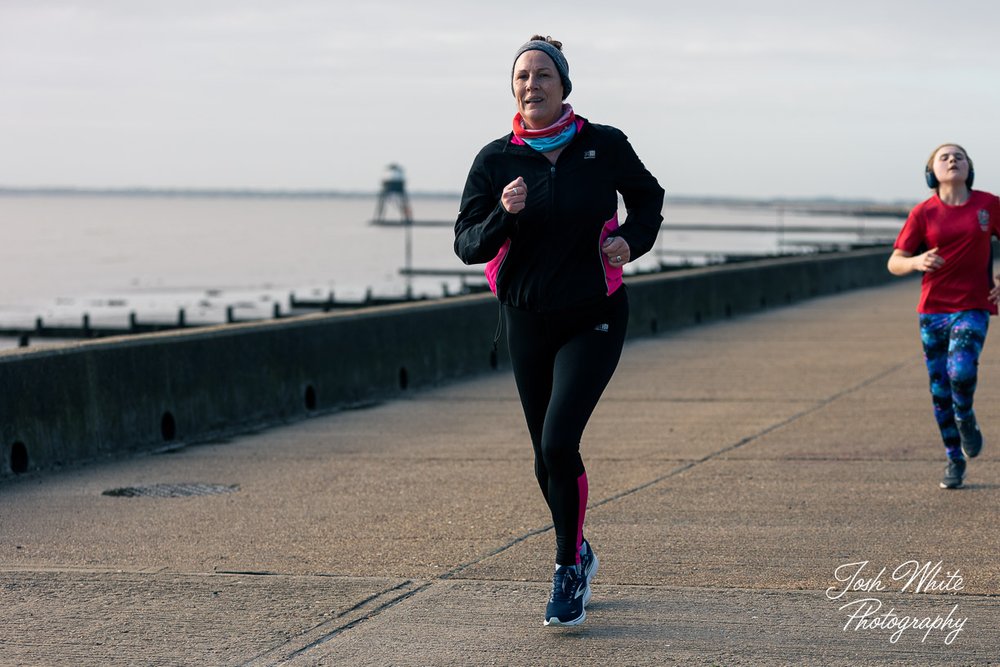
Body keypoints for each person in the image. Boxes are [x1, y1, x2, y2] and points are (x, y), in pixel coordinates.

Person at [454, 35, 664, 626]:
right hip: (525, 320)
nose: (532, 85)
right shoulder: (496, 160)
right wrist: (504, 213)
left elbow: (649, 200)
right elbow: (468, 243)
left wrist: (632, 240)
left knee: (557, 443)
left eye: (543, 75)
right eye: (522, 76)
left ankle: (567, 568)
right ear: (513, 88)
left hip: (594, 312)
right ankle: (581, 546)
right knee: (544, 462)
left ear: (563, 85)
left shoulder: (603, 144)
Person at [888, 143, 1000, 489]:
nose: (953, 160)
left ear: (969, 168)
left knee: (961, 371)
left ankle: (965, 416)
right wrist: (916, 262)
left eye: (960, 156)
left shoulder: (989, 205)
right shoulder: (923, 213)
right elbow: (894, 262)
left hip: (973, 305)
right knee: (940, 391)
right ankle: (954, 459)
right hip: (933, 311)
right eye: (944, 157)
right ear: (931, 172)